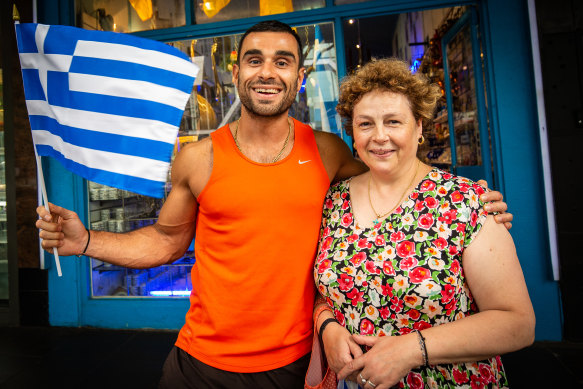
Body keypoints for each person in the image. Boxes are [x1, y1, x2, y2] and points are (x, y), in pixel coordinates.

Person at [35, 22, 512, 389]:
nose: (267, 71)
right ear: (236, 70)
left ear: (299, 77)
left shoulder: (327, 152)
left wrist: (471, 205)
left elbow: (390, 178)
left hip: (291, 362)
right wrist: (87, 241)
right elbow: (165, 240)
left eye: (282, 61)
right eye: (254, 60)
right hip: (199, 362)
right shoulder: (197, 159)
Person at [312, 58, 535, 389]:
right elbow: (325, 287)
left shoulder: (463, 201)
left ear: (419, 127)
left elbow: (517, 323)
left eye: (394, 122)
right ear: (352, 134)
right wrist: (327, 325)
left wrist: (412, 350)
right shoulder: (333, 202)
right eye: (365, 124)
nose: (380, 137)